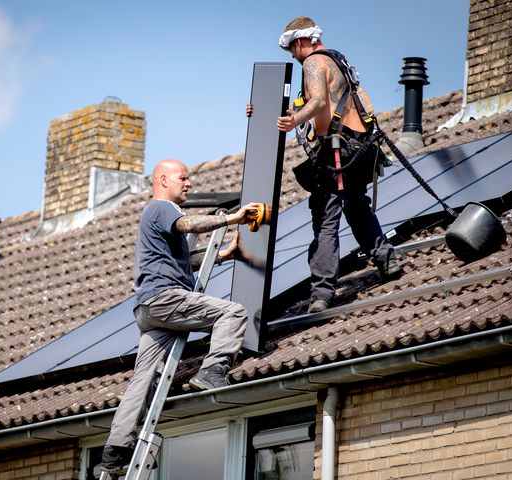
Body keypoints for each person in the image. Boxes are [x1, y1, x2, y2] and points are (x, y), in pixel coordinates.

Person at [100, 159, 260, 473]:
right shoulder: (162, 209)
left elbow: (180, 263)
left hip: (149, 309)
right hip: (164, 298)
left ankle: (116, 449)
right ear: (163, 179)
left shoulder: (155, 221)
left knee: (144, 379)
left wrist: (225, 253)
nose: (188, 183)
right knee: (233, 312)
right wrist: (233, 218)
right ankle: (212, 371)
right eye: (183, 178)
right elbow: (189, 226)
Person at [249, 16, 400, 314]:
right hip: (359, 148)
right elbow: (315, 101)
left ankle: (322, 293)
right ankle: (387, 260)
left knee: (326, 219)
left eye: (292, 47)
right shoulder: (338, 61)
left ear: (302, 40)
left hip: (337, 154)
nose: (292, 54)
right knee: (357, 206)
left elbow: (317, 101)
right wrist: (262, 110)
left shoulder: (313, 63)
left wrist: (295, 120)